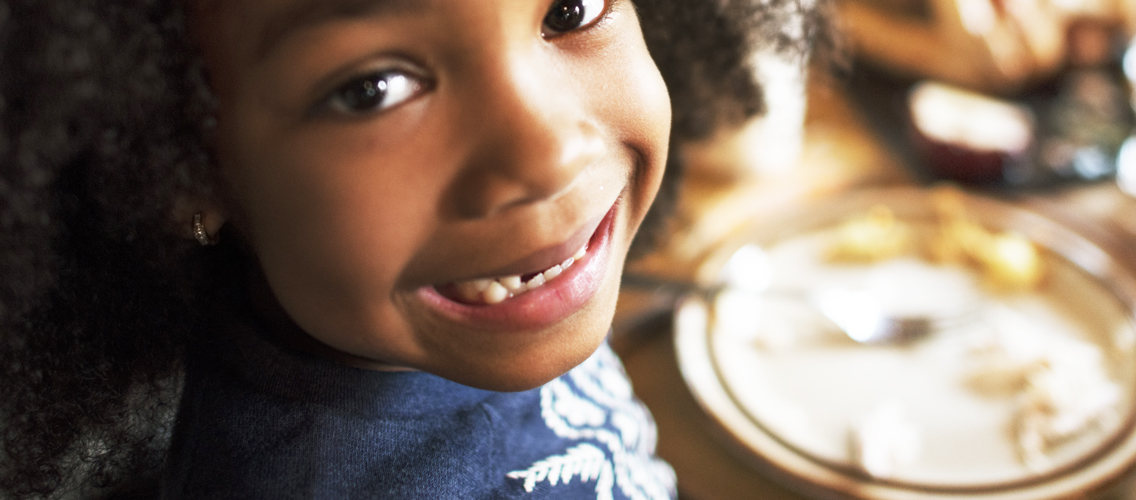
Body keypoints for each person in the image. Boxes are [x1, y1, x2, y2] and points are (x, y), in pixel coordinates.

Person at [0, 0, 828, 498]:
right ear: (178, 160)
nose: (549, 155)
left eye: (569, 8)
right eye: (373, 89)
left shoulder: (476, 298)